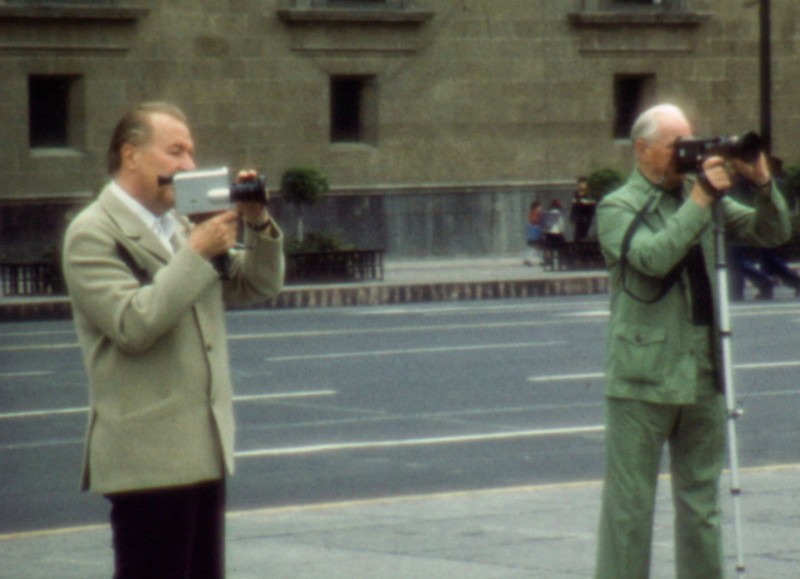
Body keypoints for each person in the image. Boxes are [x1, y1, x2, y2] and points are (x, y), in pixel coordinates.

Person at [62, 102, 285, 578]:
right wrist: (196, 252)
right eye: (175, 151)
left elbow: (253, 285)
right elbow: (132, 325)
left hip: (202, 448)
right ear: (131, 155)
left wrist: (258, 223)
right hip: (150, 458)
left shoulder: (179, 226)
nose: (188, 165)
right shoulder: (93, 234)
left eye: (191, 153)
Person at [594, 103, 790, 578]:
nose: (686, 155)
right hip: (643, 376)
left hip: (704, 370)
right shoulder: (617, 206)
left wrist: (762, 183)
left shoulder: (701, 196)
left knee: (701, 505)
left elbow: (774, 231)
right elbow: (652, 259)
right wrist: (699, 200)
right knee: (629, 509)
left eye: (691, 143)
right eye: (675, 147)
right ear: (642, 150)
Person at [540, 199, 566, 269]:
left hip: (548, 234)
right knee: (562, 247)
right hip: (557, 234)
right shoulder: (559, 214)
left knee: (548, 248)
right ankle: (561, 263)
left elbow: (543, 225)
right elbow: (561, 225)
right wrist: (562, 231)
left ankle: (549, 263)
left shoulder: (547, 213)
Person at [569, 176, 596, 241]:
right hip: (578, 218)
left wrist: (588, 217)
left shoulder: (589, 194)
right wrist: (572, 216)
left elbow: (592, 207)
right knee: (577, 233)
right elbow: (574, 205)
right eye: (579, 184)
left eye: (583, 183)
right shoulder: (576, 194)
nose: (580, 185)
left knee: (584, 233)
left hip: (586, 217)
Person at [524, 199, 543, 266]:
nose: (541, 208)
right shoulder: (535, 213)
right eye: (539, 207)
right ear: (536, 207)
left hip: (534, 231)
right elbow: (535, 221)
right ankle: (528, 259)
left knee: (537, 247)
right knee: (535, 246)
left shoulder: (533, 212)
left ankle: (541, 260)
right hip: (535, 231)